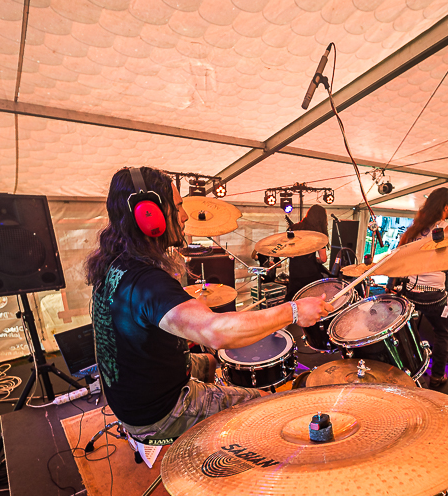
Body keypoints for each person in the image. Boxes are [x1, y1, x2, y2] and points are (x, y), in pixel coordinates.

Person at [85, 166, 332, 443]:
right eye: (178, 206)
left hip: (132, 397)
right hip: (159, 413)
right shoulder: (147, 282)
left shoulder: (114, 267)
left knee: (214, 361)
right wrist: (294, 311)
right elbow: (216, 332)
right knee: (262, 402)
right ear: (149, 215)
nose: (184, 216)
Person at [395, 187, 448, 388]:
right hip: (433, 295)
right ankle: (437, 376)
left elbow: (399, 253)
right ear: (446, 207)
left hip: (410, 292)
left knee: (407, 332)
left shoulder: (414, 229)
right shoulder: (446, 229)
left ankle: (406, 371)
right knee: (443, 333)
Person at [284, 205, 330, 301]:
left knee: (294, 299)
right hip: (310, 273)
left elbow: (288, 253)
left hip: (294, 272)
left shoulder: (294, 228)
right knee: (312, 300)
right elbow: (323, 259)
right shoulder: (318, 233)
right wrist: (316, 259)